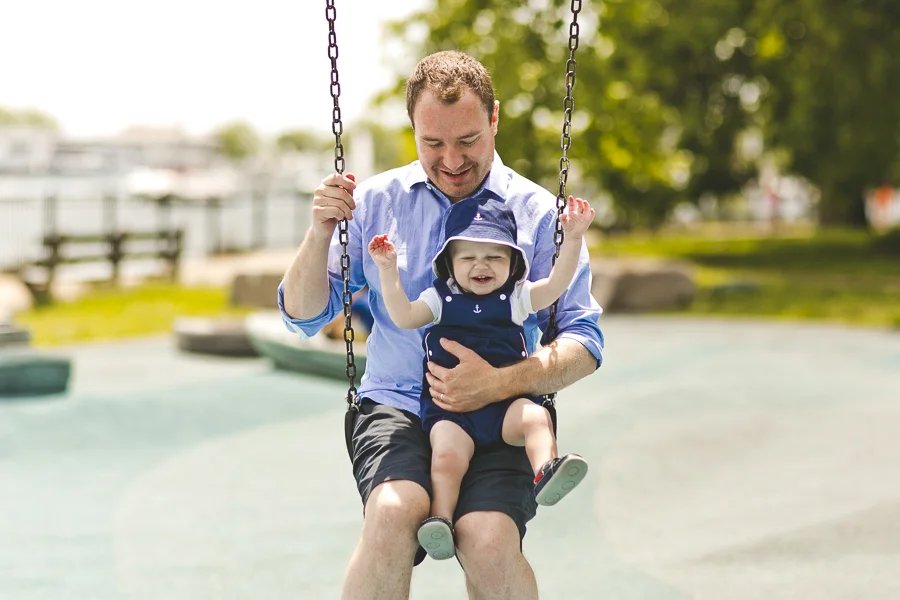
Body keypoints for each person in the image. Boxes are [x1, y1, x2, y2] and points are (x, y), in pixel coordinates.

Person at [279, 50, 604, 600]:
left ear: (494, 119)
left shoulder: (537, 214)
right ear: (413, 130)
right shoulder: (375, 203)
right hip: (397, 405)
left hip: (500, 412)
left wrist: (503, 382)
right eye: (433, 143)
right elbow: (305, 316)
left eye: (468, 140)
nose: (451, 160)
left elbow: (585, 341)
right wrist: (319, 232)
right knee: (393, 511)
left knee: (487, 539)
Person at [367, 194, 594, 561]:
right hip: (451, 410)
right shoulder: (440, 298)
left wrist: (573, 238)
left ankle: (546, 470)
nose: (481, 265)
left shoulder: (516, 297)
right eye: (468, 257)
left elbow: (556, 285)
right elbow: (404, 317)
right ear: (450, 264)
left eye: (494, 257)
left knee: (536, 417)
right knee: (446, 456)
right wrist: (388, 272)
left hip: (505, 406)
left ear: (512, 263)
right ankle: (440, 519)